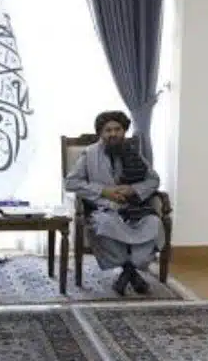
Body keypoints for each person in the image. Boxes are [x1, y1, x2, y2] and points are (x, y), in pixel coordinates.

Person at [64, 110, 164, 296]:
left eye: (117, 129)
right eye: (108, 130)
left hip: (134, 209)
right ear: (101, 133)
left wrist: (133, 189)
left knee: (154, 223)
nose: (113, 134)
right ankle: (131, 272)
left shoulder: (133, 152)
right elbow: (71, 183)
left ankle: (128, 271)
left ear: (124, 131)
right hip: (105, 208)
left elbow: (153, 180)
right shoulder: (90, 153)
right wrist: (104, 191)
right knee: (104, 224)